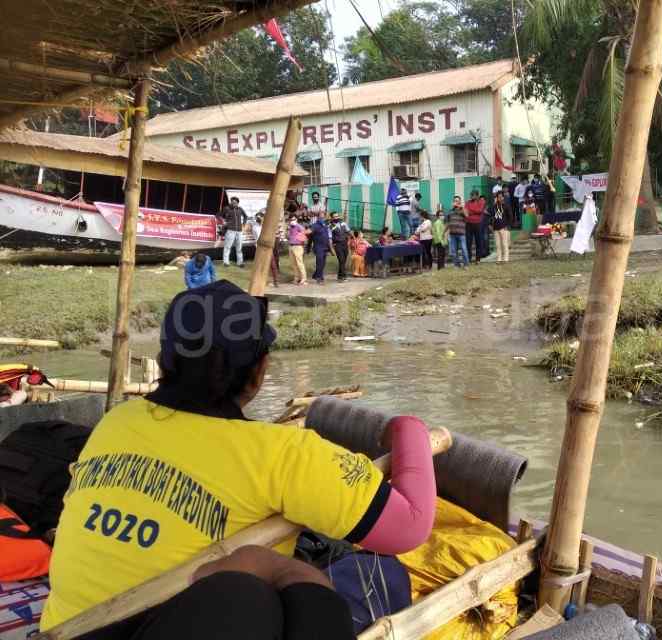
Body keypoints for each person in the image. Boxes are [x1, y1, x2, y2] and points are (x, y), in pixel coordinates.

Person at [40, 280, 437, 639]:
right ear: (259, 371)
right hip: (202, 623)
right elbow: (409, 529)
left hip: (72, 629)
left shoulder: (116, 421)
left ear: (164, 362)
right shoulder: (280, 453)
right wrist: (409, 430)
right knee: (380, 573)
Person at [220, 196, 247, 267]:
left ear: (238, 203)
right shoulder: (227, 208)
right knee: (227, 247)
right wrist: (224, 221)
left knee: (239, 247)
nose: (233, 203)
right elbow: (220, 216)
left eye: (235, 202)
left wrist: (243, 224)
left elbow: (245, 216)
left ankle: (240, 263)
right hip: (230, 230)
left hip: (239, 231)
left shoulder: (240, 209)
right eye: (232, 201)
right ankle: (226, 262)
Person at [488, 191, 514, 263]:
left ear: (503, 197)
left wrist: (508, 225)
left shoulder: (506, 206)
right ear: (496, 198)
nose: (500, 198)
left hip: (504, 227)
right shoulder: (494, 207)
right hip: (496, 228)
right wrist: (490, 224)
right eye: (498, 197)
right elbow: (491, 216)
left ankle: (506, 259)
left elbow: (510, 217)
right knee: (498, 244)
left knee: (504, 243)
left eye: (501, 197)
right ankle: (499, 259)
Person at [309, 212, 333, 283]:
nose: (322, 218)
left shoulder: (325, 225)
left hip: (325, 247)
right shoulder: (315, 225)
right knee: (319, 262)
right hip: (318, 247)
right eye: (321, 217)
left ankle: (316, 275)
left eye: (323, 217)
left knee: (323, 263)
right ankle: (319, 278)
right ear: (318, 217)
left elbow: (327, 236)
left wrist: (330, 248)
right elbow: (309, 232)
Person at [446, 196, 469, 268]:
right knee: (453, 251)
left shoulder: (463, 210)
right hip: (452, 234)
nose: (456, 202)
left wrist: (461, 207)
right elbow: (448, 222)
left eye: (458, 201)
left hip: (461, 234)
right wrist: (444, 232)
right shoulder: (450, 211)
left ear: (460, 202)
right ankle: (456, 264)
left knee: (464, 249)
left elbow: (467, 215)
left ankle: (466, 264)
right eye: (455, 201)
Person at [287, 213, 308, 285]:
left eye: (294, 219)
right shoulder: (290, 227)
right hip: (291, 246)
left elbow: (304, 235)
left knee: (300, 263)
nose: (292, 220)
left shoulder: (299, 226)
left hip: (298, 246)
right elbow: (288, 236)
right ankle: (296, 278)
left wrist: (300, 241)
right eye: (291, 219)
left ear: (296, 219)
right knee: (293, 263)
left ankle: (304, 279)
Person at [465, 190, 485, 263]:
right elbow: (466, 212)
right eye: (471, 195)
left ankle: (478, 259)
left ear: (477, 196)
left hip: (478, 224)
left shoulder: (481, 202)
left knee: (478, 242)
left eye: (473, 195)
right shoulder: (467, 202)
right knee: (468, 243)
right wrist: (475, 211)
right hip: (468, 224)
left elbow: (480, 210)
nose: (471, 196)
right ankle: (469, 258)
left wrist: (471, 211)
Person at [330, 212, 351, 282]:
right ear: (332, 218)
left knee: (343, 261)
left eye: (337, 216)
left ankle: (339, 276)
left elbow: (348, 232)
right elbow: (330, 237)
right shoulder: (330, 226)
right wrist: (331, 247)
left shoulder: (343, 223)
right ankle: (343, 277)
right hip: (337, 244)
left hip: (345, 244)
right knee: (341, 260)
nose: (336, 218)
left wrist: (350, 239)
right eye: (334, 217)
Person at [432, 204, 447, 270]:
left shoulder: (441, 222)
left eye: (443, 215)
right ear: (438, 216)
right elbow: (438, 233)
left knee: (442, 254)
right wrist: (441, 241)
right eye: (441, 215)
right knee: (441, 255)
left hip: (442, 241)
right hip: (439, 241)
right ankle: (440, 267)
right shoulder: (438, 222)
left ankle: (442, 266)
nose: (442, 216)